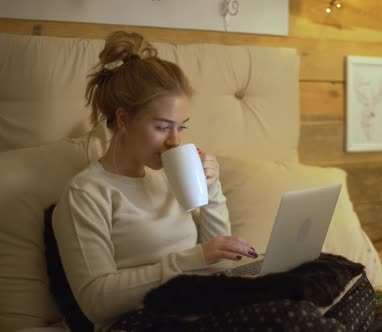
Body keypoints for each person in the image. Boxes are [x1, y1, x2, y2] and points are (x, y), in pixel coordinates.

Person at [52, 31, 259, 331]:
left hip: (198, 309)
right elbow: (96, 301)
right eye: (163, 127)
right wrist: (189, 261)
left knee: (315, 299)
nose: (174, 142)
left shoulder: (169, 177)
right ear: (123, 120)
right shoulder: (86, 194)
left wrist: (211, 188)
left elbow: (218, 261)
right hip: (140, 321)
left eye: (181, 127)